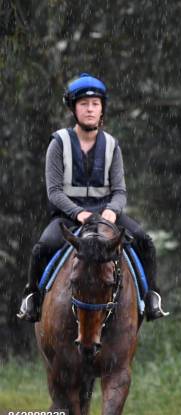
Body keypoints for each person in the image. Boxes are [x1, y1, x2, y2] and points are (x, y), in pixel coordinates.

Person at [17, 73, 168, 322]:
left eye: (95, 104)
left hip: (106, 215)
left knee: (144, 240)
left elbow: (120, 190)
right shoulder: (58, 143)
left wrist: (112, 210)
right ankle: (31, 296)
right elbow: (54, 191)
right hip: (69, 216)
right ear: (74, 109)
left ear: (102, 110)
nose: (90, 109)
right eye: (84, 104)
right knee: (42, 247)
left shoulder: (111, 144)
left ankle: (151, 295)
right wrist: (78, 213)